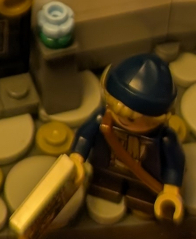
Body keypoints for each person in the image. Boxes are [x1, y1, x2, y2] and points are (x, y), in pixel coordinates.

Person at [69, 53, 184, 220]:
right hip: (106, 172)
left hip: (143, 180)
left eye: (131, 119)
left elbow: (173, 164)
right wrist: (77, 158)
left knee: (143, 200)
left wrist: (171, 190)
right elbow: (85, 136)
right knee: (102, 189)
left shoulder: (164, 138)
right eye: (114, 109)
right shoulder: (103, 120)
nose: (122, 119)